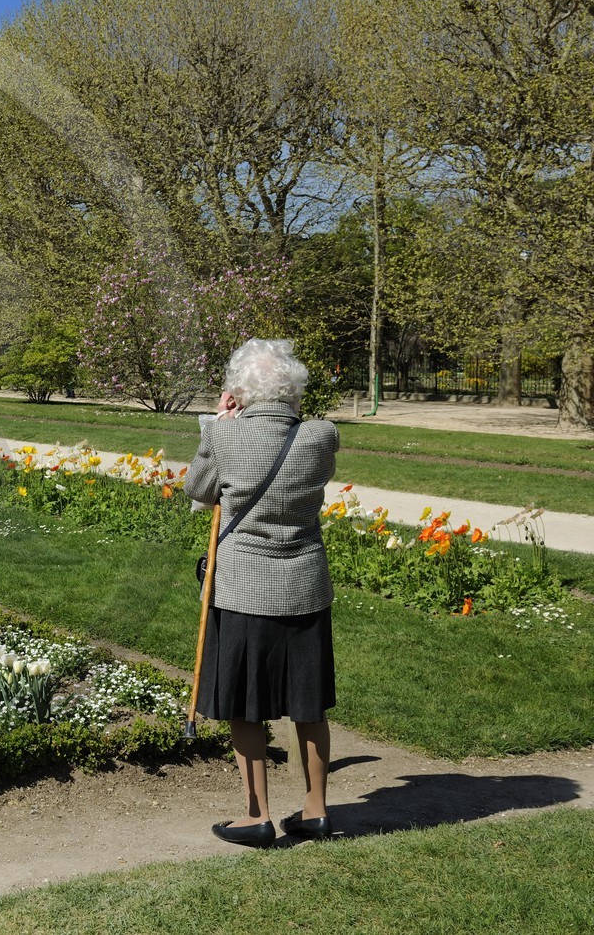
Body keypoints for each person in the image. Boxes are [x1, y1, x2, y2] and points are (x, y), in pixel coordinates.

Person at [185, 338, 339, 849]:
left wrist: (216, 424)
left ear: (239, 390)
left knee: (245, 705)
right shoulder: (322, 436)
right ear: (293, 388)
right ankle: (316, 810)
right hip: (304, 586)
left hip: (243, 588)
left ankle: (257, 816)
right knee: (308, 704)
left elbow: (199, 490)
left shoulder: (226, 437)